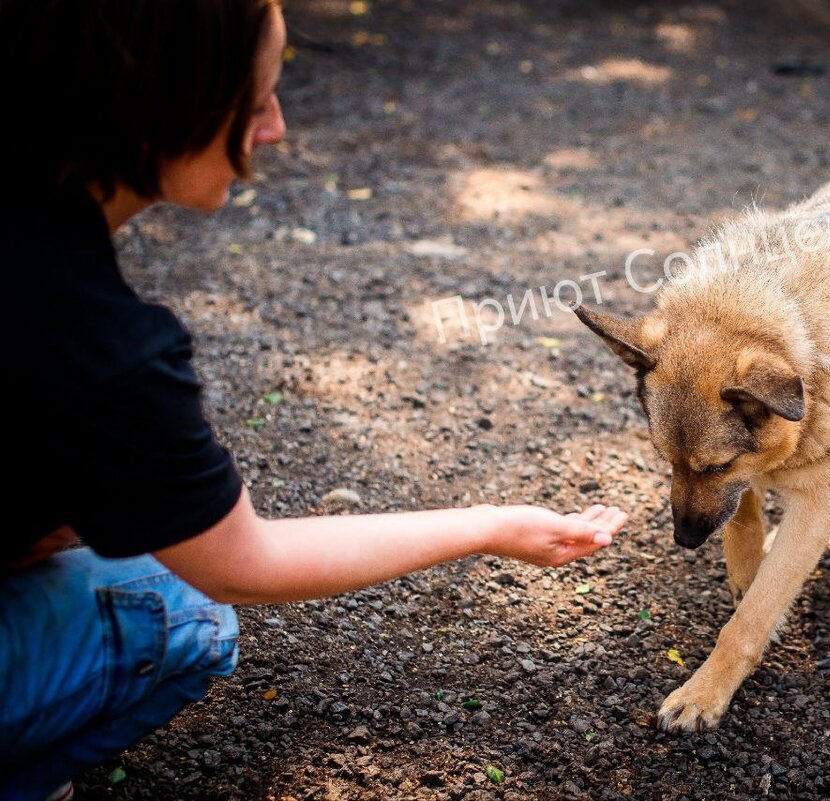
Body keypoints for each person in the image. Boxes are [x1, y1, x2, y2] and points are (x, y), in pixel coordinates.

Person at [0, 2, 628, 799]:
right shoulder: (99, 340)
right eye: (254, 100)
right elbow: (242, 565)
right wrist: (494, 525)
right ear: (158, 101)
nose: (277, 127)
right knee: (185, 605)